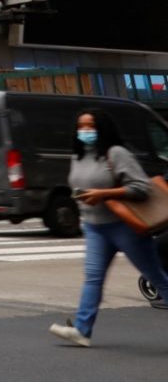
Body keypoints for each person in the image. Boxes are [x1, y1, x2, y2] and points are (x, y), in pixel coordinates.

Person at [49, 110, 168, 346]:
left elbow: (141, 187)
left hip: (124, 226)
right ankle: (82, 330)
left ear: (102, 128)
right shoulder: (78, 156)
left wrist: (104, 194)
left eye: (90, 126)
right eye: (81, 127)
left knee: (156, 276)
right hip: (95, 228)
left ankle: (82, 329)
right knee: (93, 278)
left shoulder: (116, 154)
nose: (85, 131)